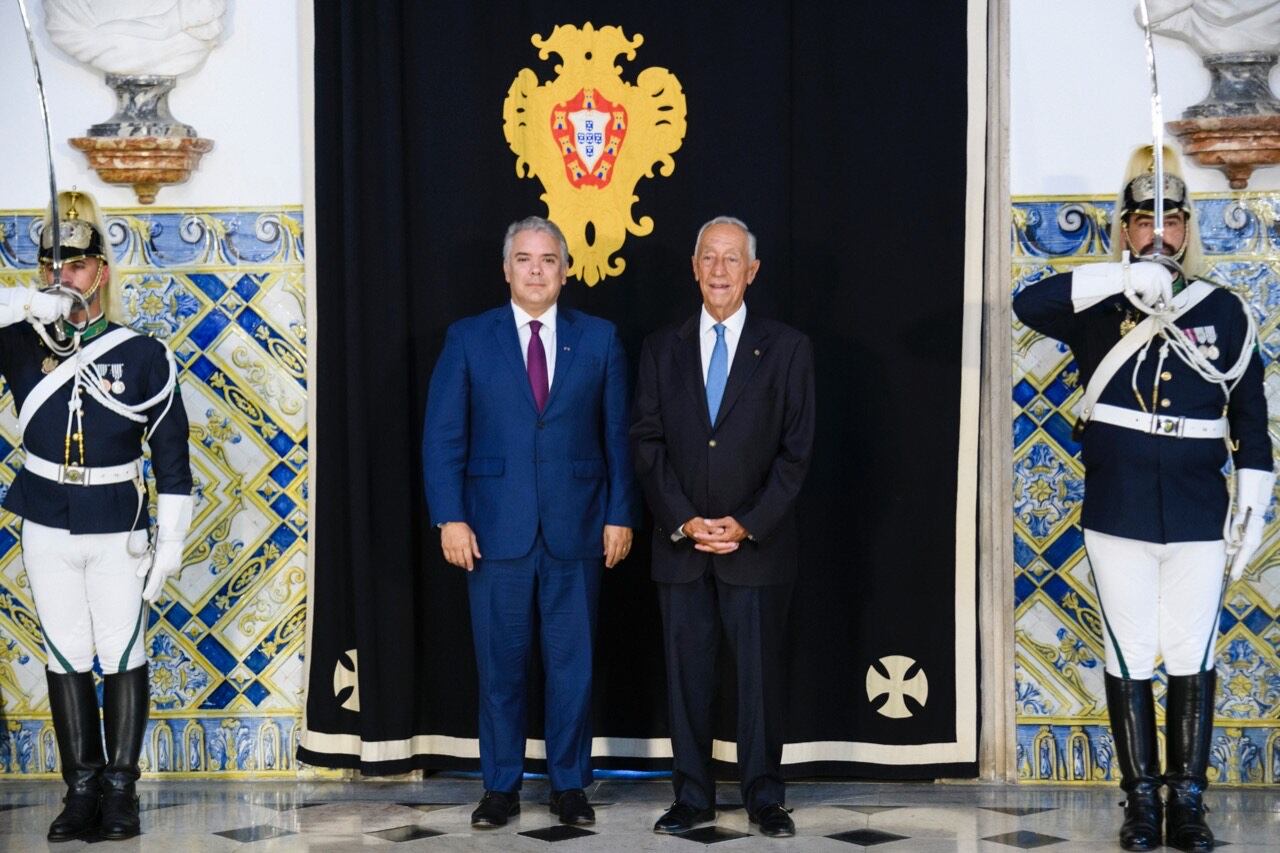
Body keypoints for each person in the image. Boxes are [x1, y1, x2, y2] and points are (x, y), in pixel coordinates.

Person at [1013, 147, 1272, 853]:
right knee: (1128, 652)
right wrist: (1123, 277)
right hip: (1119, 508)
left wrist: (1254, 502)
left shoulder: (1224, 310)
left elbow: (1249, 417)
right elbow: (1026, 302)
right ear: (1124, 228)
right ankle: (1141, 805)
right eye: (1144, 221)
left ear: (1189, 229)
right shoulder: (1104, 302)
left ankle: (1188, 804)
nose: (1160, 232)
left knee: (1191, 649)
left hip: (1196, 509)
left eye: (1173, 221)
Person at [422, 216, 639, 829]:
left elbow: (619, 438)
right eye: (524, 259)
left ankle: (570, 785)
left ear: (566, 271)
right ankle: (500, 788)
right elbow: (442, 439)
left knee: (573, 667)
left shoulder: (599, 339)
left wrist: (621, 512)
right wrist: (450, 519)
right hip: (493, 532)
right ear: (506, 269)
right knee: (500, 669)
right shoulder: (468, 339)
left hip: (579, 530)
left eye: (548, 260)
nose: (537, 270)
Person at [1, 190, 193, 841]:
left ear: (101, 271)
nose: (65, 274)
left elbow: (172, 462)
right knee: (66, 654)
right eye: (52, 262)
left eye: (78, 264)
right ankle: (79, 792)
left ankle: (119, 793)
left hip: (118, 524)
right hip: (46, 521)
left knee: (121, 650)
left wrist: (169, 545)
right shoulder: (21, 343)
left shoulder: (143, 354)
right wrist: (30, 305)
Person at [630, 216, 815, 838]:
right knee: (687, 679)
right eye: (708, 257)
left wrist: (748, 523)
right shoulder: (662, 347)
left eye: (731, 260)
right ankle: (693, 797)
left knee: (758, 681)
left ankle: (765, 796)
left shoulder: (787, 348)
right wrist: (684, 519)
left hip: (756, 547)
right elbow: (647, 443)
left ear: (752, 271)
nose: (718, 271)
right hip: (681, 547)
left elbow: (796, 454)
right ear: (693, 266)